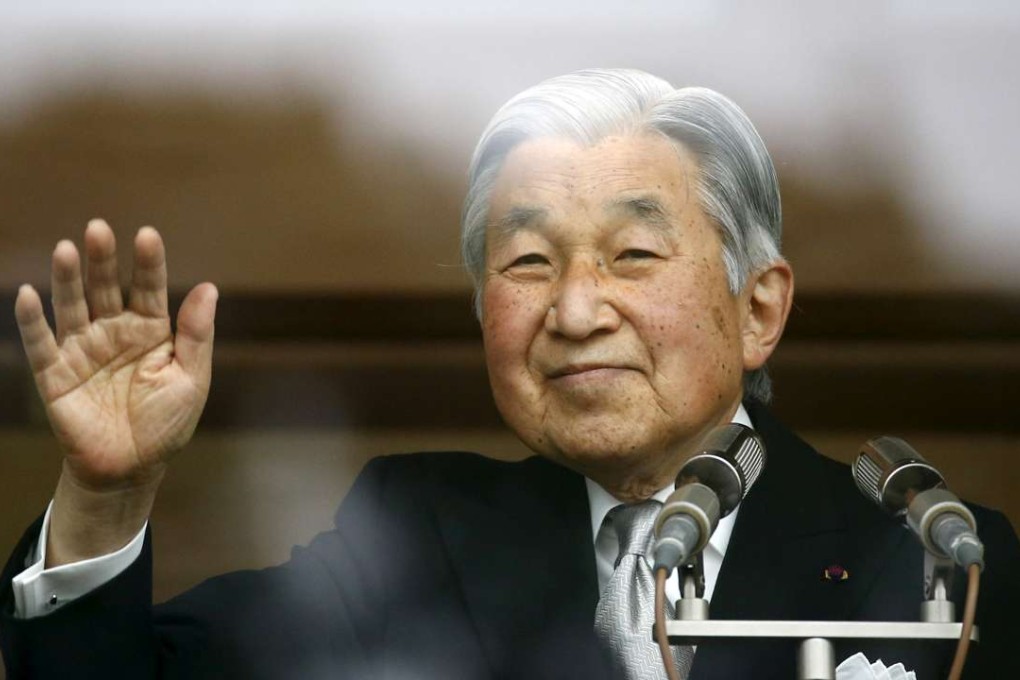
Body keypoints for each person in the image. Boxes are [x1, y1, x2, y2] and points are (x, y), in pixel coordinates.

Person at [1, 69, 1017, 679]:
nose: (575, 310)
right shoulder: (417, 535)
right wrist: (107, 492)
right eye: (529, 262)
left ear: (759, 308)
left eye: (632, 255)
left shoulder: (938, 563)